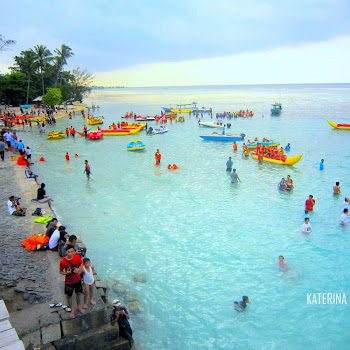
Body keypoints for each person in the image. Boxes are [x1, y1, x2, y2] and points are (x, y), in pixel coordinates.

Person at [59, 246, 85, 318]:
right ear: (66, 252)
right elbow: (61, 272)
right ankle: (72, 309)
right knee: (69, 296)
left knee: (78, 293)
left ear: (74, 252)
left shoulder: (77, 257)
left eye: (72, 252)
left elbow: (81, 264)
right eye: (69, 252)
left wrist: (78, 269)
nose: (70, 253)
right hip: (69, 281)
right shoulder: (62, 262)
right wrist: (67, 273)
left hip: (77, 279)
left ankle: (78, 306)